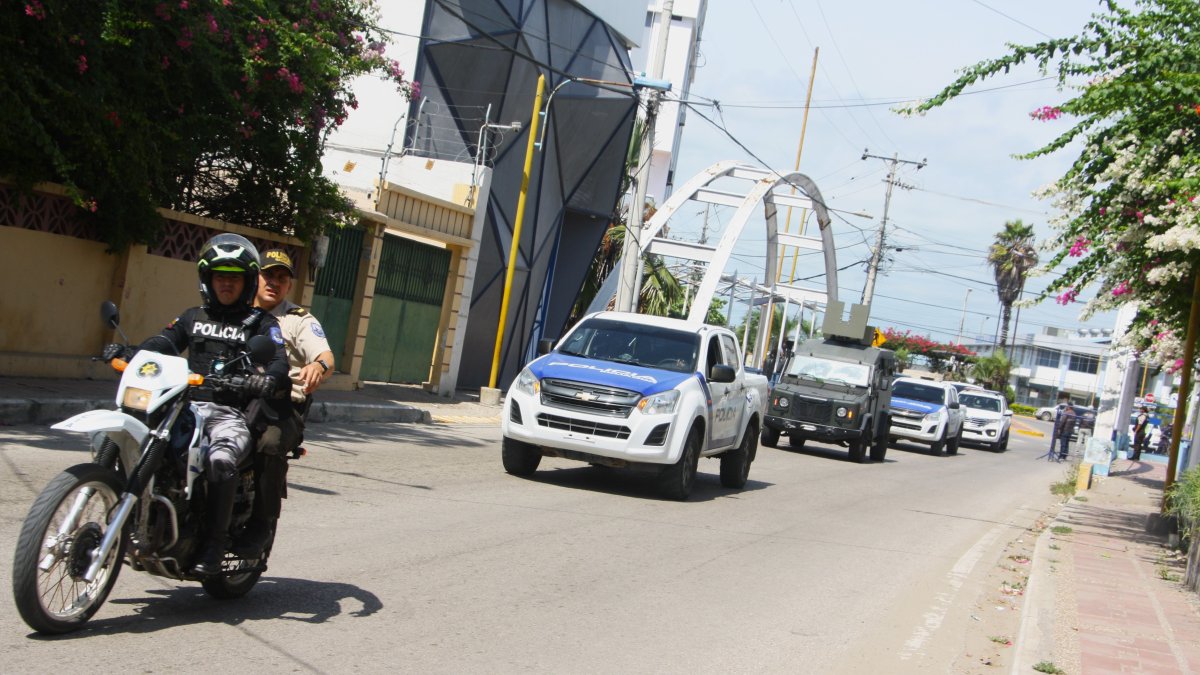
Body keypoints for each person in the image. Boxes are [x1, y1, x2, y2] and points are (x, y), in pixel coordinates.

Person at [124, 234, 289, 575]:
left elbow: (278, 362)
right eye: (219, 276)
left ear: (246, 282)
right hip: (180, 406)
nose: (226, 283)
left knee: (220, 459)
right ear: (207, 280)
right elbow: (165, 340)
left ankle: (214, 543)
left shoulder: (262, 324)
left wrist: (267, 379)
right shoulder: (192, 316)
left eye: (234, 277)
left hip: (227, 414)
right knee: (135, 438)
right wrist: (133, 353)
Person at [233, 249, 334, 556]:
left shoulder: (297, 320)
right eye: (268, 275)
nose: (274, 283)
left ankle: (261, 524)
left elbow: (326, 356)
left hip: (280, 404)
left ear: (289, 285)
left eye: (282, 278)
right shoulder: (233, 311)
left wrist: (318, 367)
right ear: (255, 277)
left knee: (269, 441)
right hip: (234, 395)